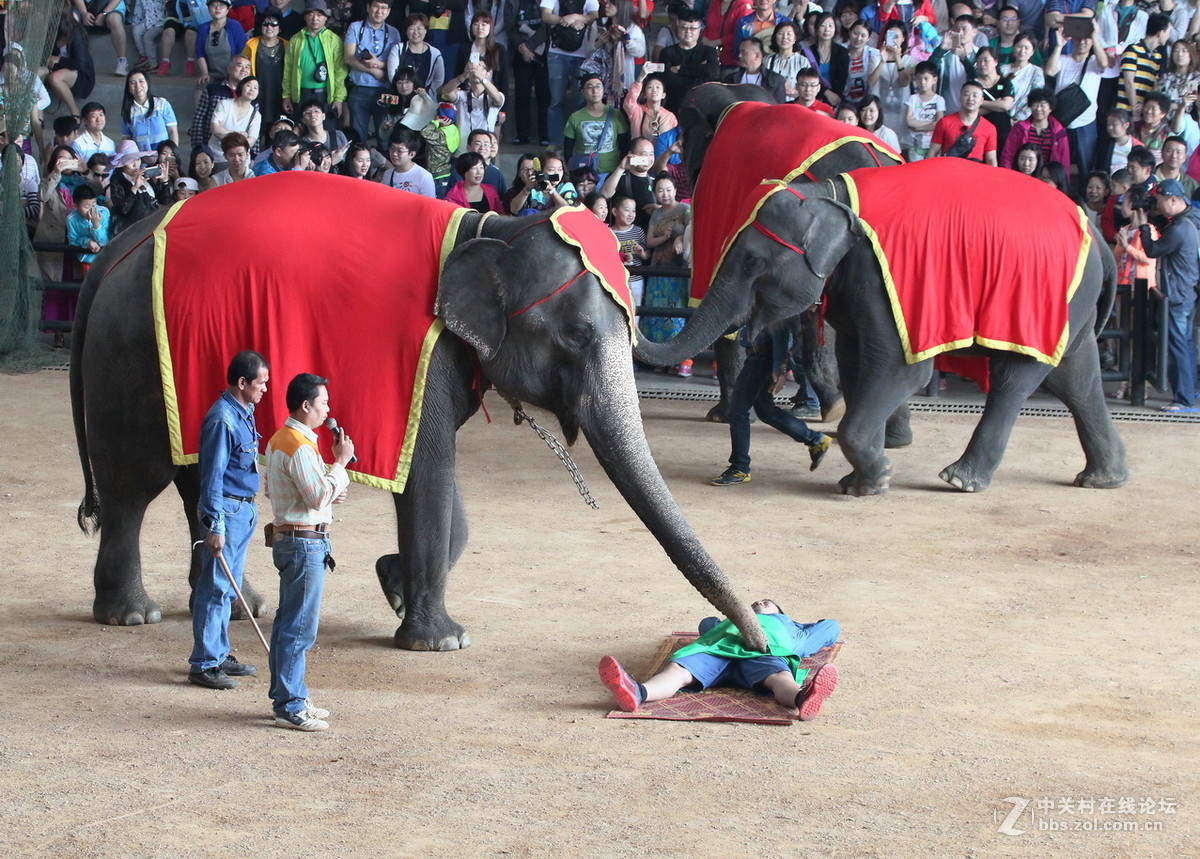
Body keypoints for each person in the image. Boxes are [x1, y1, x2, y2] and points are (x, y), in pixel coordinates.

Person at [264, 372, 354, 731]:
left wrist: (331, 486)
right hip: (303, 543)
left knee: (290, 622)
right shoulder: (299, 445)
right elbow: (317, 495)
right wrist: (341, 463)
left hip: (294, 538)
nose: (328, 410)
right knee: (299, 627)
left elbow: (283, 491)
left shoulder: (281, 440)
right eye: (323, 403)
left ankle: (291, 695)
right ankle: (290, 704)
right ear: (306, 406)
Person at [598, 598, 841, 721]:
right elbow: (707, 624)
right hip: (717, 650)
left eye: (766, 603)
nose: (758, 603)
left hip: (763, 653)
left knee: (780, 677)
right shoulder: (726, 623)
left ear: (783, 614)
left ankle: (802, 697)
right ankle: (637, 693)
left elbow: (830, 627)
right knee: (678, 671)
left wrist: (802, 626)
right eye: (754, 603)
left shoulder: (793, 630)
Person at [188, 351, 270, 690]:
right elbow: (212, 478)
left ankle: (218, 655)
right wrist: (216, 526)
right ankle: (204, 664)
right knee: (215, 588)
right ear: (242, 383)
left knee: (227, 588)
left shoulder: (244, 411)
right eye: (260, 383)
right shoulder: (223, 419)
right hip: (228, 512)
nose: (264, 389)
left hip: (243, 510)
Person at [710, 326, 832, 486]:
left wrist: (779, 369)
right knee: (766, 411)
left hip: (761, 359)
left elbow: (780, 331)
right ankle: (815, 440)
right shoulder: (754, 302)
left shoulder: (768, 302)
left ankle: (740, 468)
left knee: (737, 411)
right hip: (760, 357)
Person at [1135, 178, 1200, 412]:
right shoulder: (1186, 224)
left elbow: (1152, 250)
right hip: (1185, 294)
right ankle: (1189, 392)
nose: (1157, 204)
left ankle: (1184, 400)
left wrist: (1143, 227)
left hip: (1177, 296)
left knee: (1178, 346)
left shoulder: (1180, 229)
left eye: (1160, 200)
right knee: (1185, 344)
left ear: (1173, 200)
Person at [542, 0, 602, 145]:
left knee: (581, 99)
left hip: (582, 54)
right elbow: (545, 15)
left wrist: (576, 17)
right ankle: (555, 141)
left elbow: (594, 16)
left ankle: (580, 140)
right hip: (556, 53)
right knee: (556, 100)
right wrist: (567, 21)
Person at [282, 0, 349, 128]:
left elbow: (340, 71)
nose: (315, 18)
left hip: (325, 95)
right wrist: (286, 96)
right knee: (301, 132)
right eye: (311, 14)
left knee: (327, 132)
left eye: (319, 14)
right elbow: (288, 70)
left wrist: (338, 99)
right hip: (301, 94)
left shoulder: (334, 40)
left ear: (326, 18)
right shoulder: (296, 40)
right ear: (305, 16)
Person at [343, 0, 401, 145]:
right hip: (359, 89)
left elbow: (398, 62)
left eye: (383, 8)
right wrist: (373, 71)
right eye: (376, 6)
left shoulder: (393, 32)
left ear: (388, 12)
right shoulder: (355, 27)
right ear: (368, 7)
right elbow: (349, 58)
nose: (379, 11)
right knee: (358, 137)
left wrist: (380, 65)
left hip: (385, 91)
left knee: (385, 136)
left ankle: (385, 167)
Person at [563, 73, 630, 177]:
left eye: (598, 86)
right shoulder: (575, 117)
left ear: (603, 90)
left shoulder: (615, 114)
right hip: (585, 173)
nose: (595, 91)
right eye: (590, 87)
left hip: (611, 172)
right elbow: (568, 148)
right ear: (582, 91)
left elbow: (624, 145)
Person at [659, 9, 718, 112]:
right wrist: (699, 72)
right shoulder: (667, 52)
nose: (688, 32)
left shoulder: (708, 51)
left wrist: (679, 69)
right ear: (677, 27)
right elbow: (666, 79)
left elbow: (713, 73)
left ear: (700, 30)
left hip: (702, 108)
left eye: (692, 28)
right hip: (674, 106)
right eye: (684, 27)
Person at [243, 9, 288, 140]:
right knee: (254, 132)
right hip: (256, 95)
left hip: (279, 96)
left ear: (279, 27)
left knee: (276, 135)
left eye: (274, 24)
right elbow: (244, 70)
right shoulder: (251, 44)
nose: (269, 27)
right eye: (265, 24)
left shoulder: (288, 45)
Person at [929, 79, 998, 164]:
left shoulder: (989, 128)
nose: (970, 98)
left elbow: (991, 160)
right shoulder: (944, 122)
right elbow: (932, 153)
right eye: (966, 94)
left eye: (975, 96)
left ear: (981, 100)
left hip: (975, 174)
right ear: (960, 97)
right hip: (949, 171)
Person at [191, 55, 252, 150]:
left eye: (248, 66)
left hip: (240, 151)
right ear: (229, 69)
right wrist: (198, 147)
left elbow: (253, 126)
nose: (244, 69)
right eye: (240, 65)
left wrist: (253, 154)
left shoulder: (251, 95)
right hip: (212, 148)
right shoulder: (213, 89)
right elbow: (199, 118)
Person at [1000, 88, 1069, 171]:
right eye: (1035, 105)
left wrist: (1063, 182)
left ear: (1050, 108)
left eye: (1043, 105)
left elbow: (1064, 160)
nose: (1038, 109)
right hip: (1022, 175)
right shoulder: (1019, 128)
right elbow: (1008, 155)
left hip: (1048, 177)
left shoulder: (1059, 132)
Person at [1117, 13, 1170, 120]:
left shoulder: (1157, 56)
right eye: (1168, 32)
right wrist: (1135, 107)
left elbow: (1152, 86)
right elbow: (1128, 82)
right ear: (1161, 32)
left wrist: (1144, 106)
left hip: (1143, 111)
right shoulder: (1133, 50)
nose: (1168, 36)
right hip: (1125, 110)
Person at [44, 11, 95, 120]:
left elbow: (79, 64)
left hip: (81, 75)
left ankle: (75, 113)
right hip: (59, 69)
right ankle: (38, 118)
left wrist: (59, 60)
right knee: (37, 73)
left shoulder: (75, 33)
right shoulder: (52, 33)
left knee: (55, 78)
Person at [387, 13, 446, 95]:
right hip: (401, 96)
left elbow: (439, 80)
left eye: (419, 28)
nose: (415, 32)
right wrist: (404, 88)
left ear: (425, 30)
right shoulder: (397, 49)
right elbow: (392, 75)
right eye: (412, 28)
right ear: (406, 31)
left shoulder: (435, 53)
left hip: (425, 97)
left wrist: (427, 93)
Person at [197, 0, 249, 87]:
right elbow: (200, 54)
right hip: (212, 74)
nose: (217, 8)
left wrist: (234, 75)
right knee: (201, 86)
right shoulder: (203, 28)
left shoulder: (234, 25)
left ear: (228, 9)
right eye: (214, 6)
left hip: (233, 74)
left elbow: (242, 53)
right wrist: (205, 73)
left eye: (221, 5)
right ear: (209, 9)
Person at [71, 0, 128, 77]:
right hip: (86, 9)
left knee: (114, 19)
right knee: (72, 17)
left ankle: (122, 61)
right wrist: (84, 13)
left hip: (111, 9)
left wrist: (104, 13)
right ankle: (71, 59)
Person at [209, 76, 263, 157]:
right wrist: (239, 135)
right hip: (216, 155)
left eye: (256, 88)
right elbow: (215, 129)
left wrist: (224, 132)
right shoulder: (224, 104)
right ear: (241, 87)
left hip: (239, 159)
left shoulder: (256, 115)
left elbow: (251, 141)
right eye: (248, 85)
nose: (252, 89)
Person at [805, 11, 850, 109]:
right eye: (823, 25)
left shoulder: (842, 52)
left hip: (835, 100)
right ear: (816, 28)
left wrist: (834, 97)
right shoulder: (807, 52)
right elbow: (806, 78)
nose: (826, 29)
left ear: (835, 29)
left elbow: (842, 79)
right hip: (811, 99)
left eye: (830, 26)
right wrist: (826, 92)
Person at [722, 36, 787, 102]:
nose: (740, 55)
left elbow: (780, 108)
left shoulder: (776, 80)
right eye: (740, 52)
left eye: (744, 52)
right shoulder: (730, 79)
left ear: (757, 56)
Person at [904, 60, 944, 159]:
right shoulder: (912, 99)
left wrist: (918, 127)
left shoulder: (939, 100)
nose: (922, 82)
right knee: (915, 170)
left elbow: (939, 124)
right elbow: (909, 122)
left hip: (933, 144)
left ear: (934, 80)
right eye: (919, 79)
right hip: (914, 144)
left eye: (926, 79)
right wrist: (931, 123)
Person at [379, 126, 436, 194]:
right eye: (392, 148)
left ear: (411, 154)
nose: (394, 153)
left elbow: (429, 203)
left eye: (399, 151)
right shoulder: (388, 174)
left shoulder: (424, 177)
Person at [765, 21, 810, 102]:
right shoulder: (768, 60)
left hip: (794, 105)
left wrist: (793, 92)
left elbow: (809, 89)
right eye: (780, 33)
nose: (784, 37)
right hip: (772, 105)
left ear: (795, 39)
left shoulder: (802, 61)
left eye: (789, 34)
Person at [159, 0, 205, 77]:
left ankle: (190, 62)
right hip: (177, 15)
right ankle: (165, 62)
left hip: (196, 17)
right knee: (168, 30)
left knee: (190, 32)